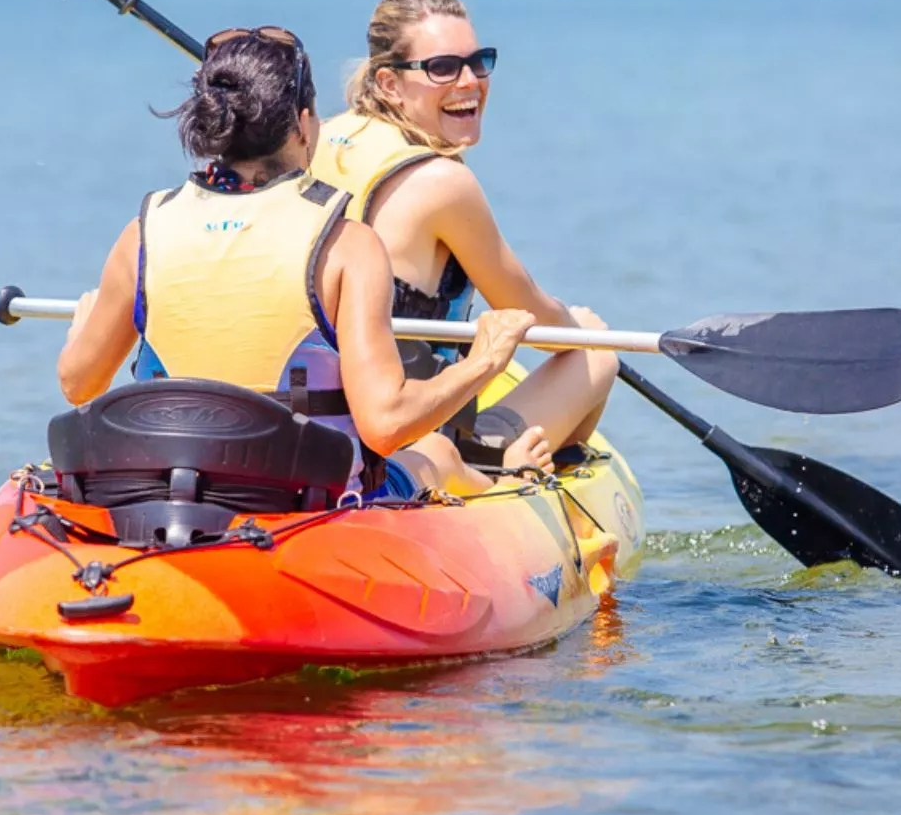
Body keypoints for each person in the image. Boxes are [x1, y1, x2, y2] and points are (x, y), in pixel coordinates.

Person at [55, 25, 554, 500]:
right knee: (436, 453)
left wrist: (82, 331)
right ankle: (512, 481)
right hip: (302, 501)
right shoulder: (346, 246)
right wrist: (486, 359)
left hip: (166, 490)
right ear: (304, 123)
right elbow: (386, 425)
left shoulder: (143, 232)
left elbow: (78, 384)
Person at [312, 0, 618, 462]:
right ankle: (519, 473)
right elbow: (532, 315)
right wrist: (580, 324)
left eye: (478, 62)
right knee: (594, 354)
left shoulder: (318, 139)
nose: (470, 81)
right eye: (442, 68)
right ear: (389, 83)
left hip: (317, 415)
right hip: (413, 434)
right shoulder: (441, 182)